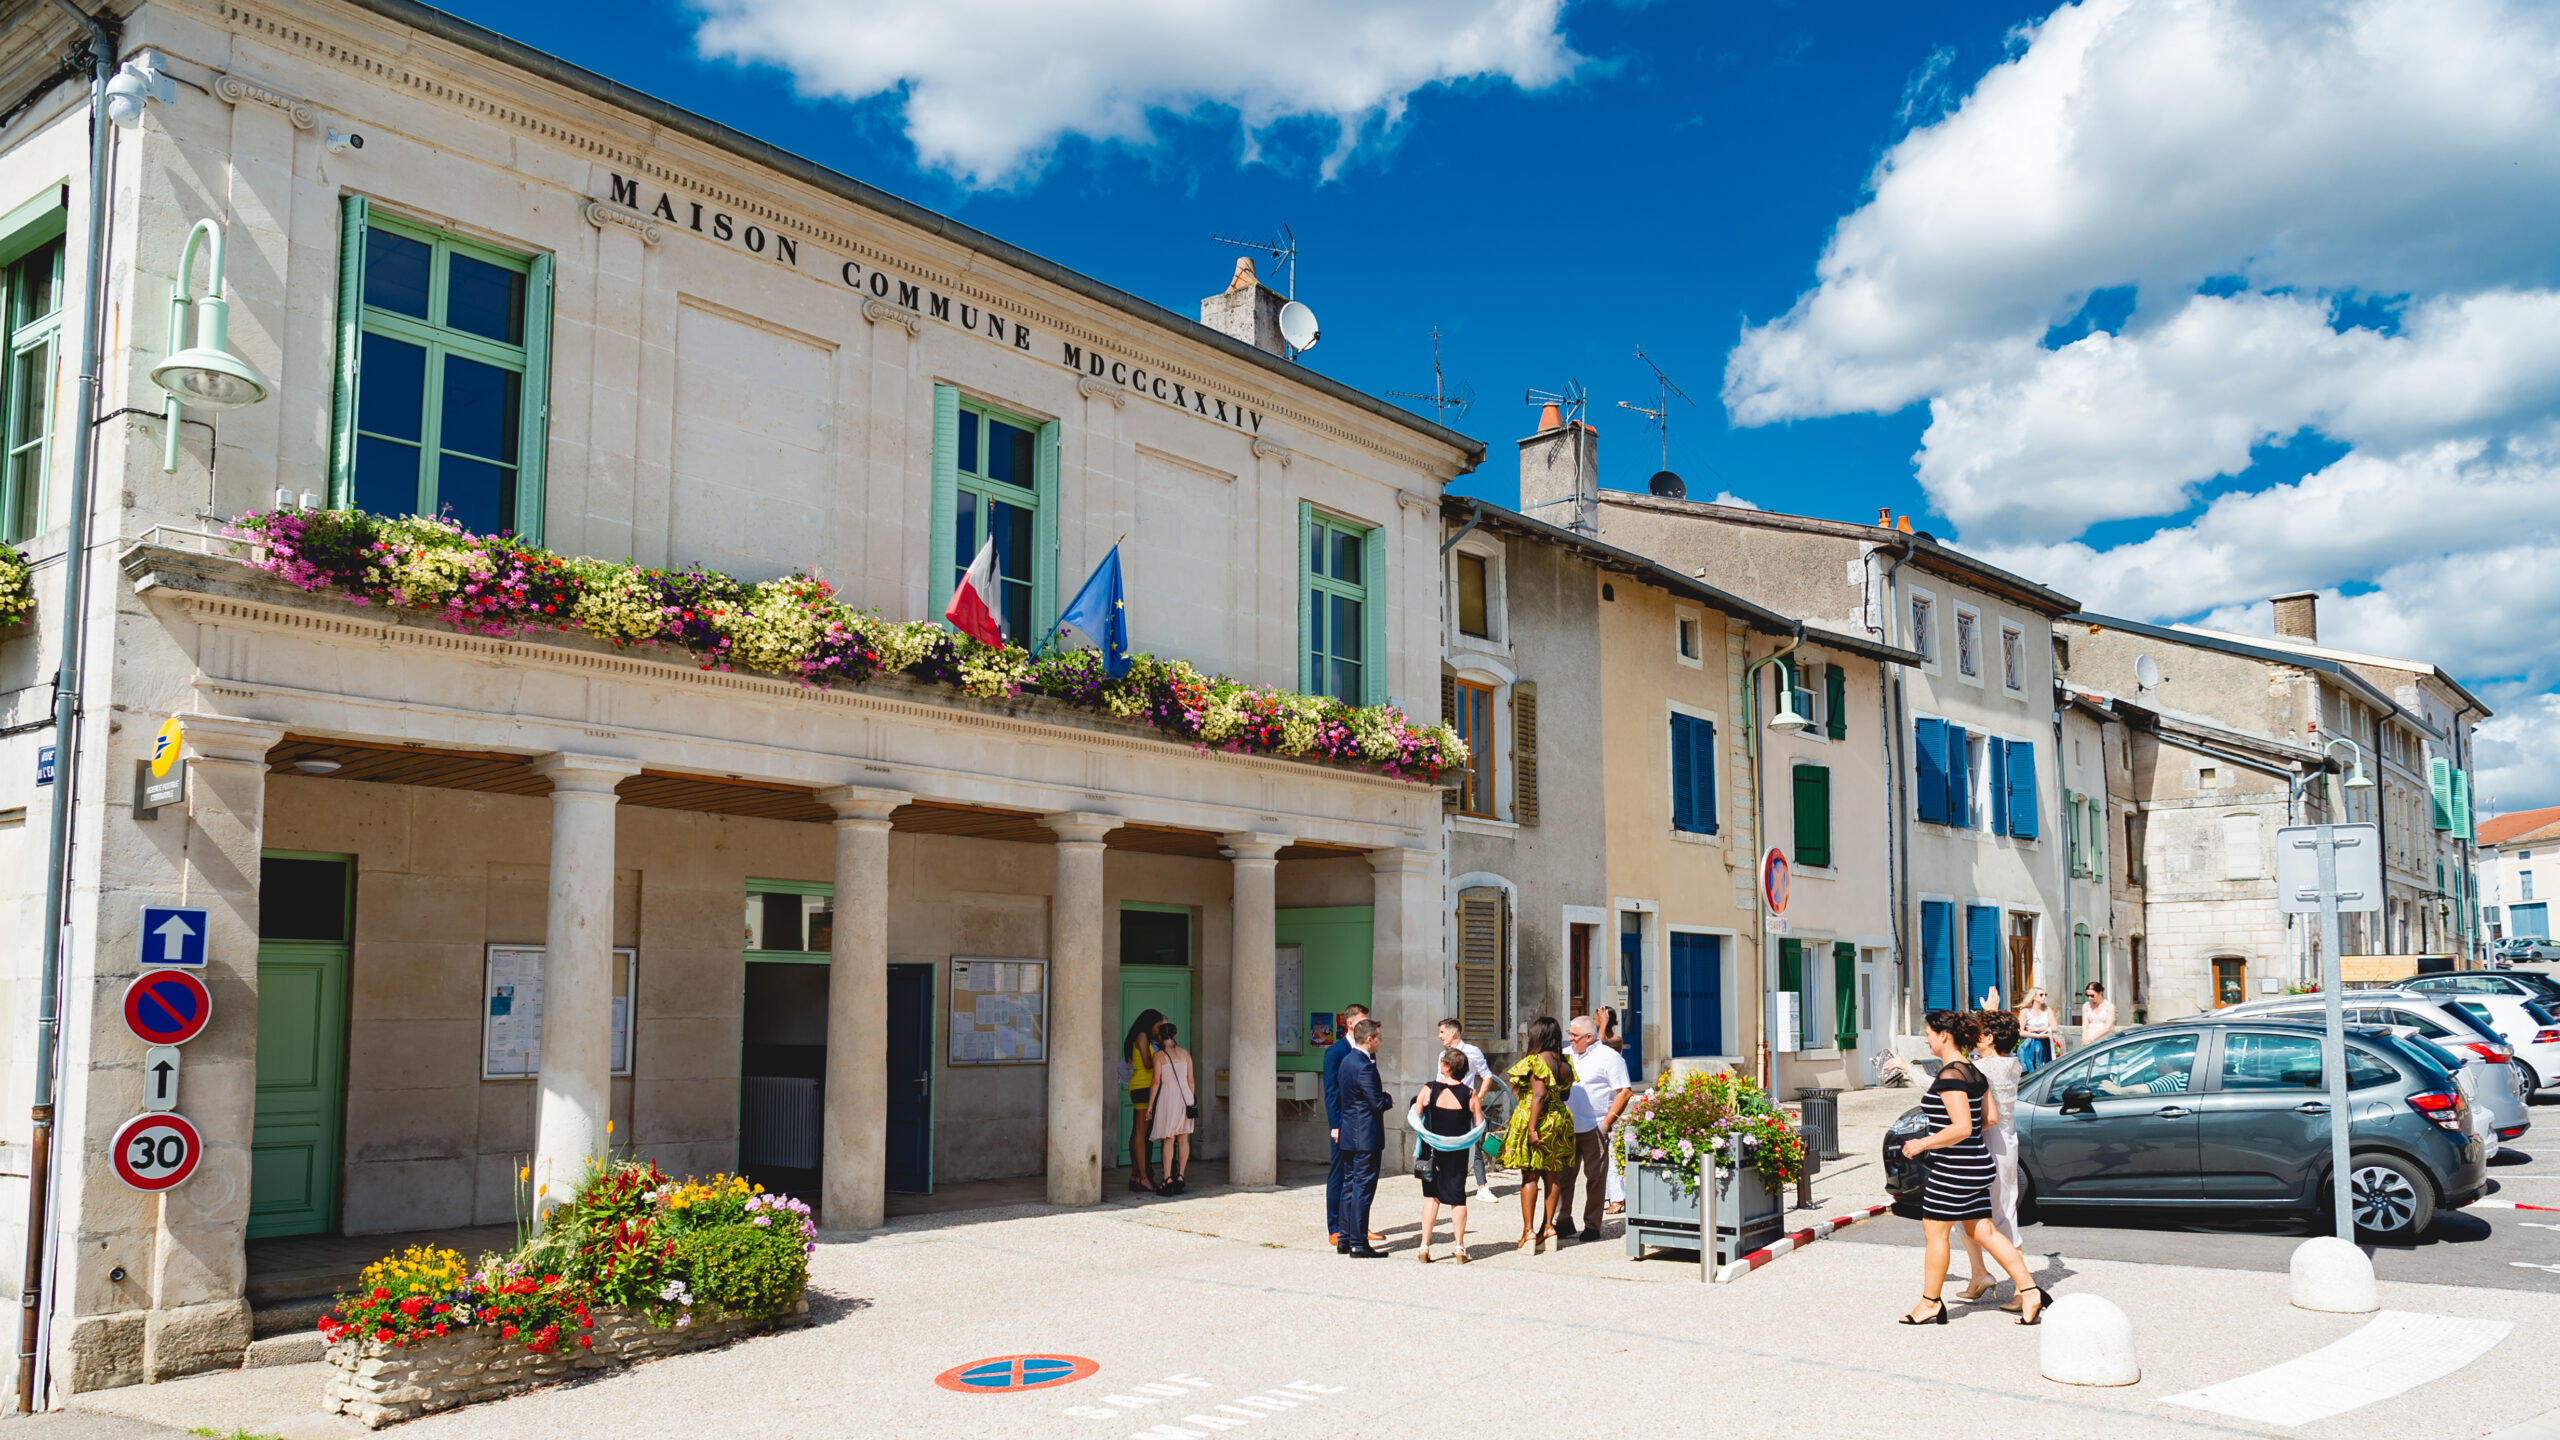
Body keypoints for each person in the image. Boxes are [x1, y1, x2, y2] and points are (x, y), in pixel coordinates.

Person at [1894, 1011, 2048, 1326]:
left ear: (1943, 1036)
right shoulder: (1973, 1072)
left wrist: (1923, 1143)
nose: (1925, 1039)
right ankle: (2030, 1290)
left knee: (1935, 1231)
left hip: (1955, 1167)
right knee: (1983, 1230)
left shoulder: (1952, 1075)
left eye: (1928, 1033)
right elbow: (1989, 1119)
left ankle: (1930, 1303)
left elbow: (1963, 1126)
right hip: (1978, 1162)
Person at [1958, 1011, 2026, 1308]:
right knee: (1965, 1212)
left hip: (1993, 1143)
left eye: (1978, 1031)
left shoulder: (1989, 1066)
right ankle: (1978, 1274)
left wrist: (1906, 1067)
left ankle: (2024, 1288)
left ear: (1988, 1038)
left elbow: (1949, 1084)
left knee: (2001, 1215)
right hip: (2002, 1142)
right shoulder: (2008, 1062)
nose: (1972, 1036)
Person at [1498, 1016, 1577, 1253]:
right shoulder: (1565, 1064)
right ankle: (1550, 1228)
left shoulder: (1536, 1061)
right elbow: (1564, 1096)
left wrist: (1531, 1129)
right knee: (1552, 1174)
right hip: (1559, 1120)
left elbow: (1538, 1096)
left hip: (1537, 1120)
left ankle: (1529, 1232)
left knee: (1530, 1175)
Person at [1558, 1016, 1632, 1241]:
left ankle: (1592, 1224)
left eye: (1574, 1035)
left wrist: (1607, 1122)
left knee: (1595, 1177)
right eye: (1569, 1034)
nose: (1570, 1039)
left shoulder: (1609, 1058)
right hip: (1568, 1126)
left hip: (1594, 1125)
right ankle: (1563, 1220)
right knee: (1563, 1176)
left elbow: (1625, 1091)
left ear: (1589, 1037)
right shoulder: (1567, 1055)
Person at [1413, 1046, 1483, 1263]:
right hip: (1457, 1152)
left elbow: (1415, 1117)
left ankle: (1424, 1246)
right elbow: (1478, 1125)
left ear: (1445, 1067)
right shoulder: (1470, 1094)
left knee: (1431, 1198)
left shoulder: (1428, 1089)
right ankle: (1460, 1247)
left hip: (1430, 1151)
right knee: (1458, 1198)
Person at [1322, 1003, 1379, 1248]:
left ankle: (1358, 1227)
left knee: (1360, 1180)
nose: (1367, 1024)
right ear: (1350, 1024)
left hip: (1362, 1124)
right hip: (1344, 1124)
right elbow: (1331, 1092)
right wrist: (1335, 1125)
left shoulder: (1368, 1049)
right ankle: (1335, 1227)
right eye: (1362, 1020)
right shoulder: (1336, 1052)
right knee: (1341, 1175)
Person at [1334, 1019, 1391, 1258]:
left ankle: (1345, 1238)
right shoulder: (1364, 1066)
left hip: (1349, 1133)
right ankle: (1358, 1242)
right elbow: (1376, 1103)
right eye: (1378, 1037)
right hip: (1365, 1136)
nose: (1380, 1041)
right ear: (1369, 1039)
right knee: (1362, 1189)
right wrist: (1387, 1098)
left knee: (1349, 1185)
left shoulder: (1347, 1061)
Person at [1436, 1018, 1501, 1200]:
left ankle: (1482, 1187)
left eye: (1442, 1032)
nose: (1440, 1036)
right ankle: (1448, 1185)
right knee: (1445, 1145)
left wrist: (1478, 1098)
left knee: (1474, 1144)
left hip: (1466, 1103)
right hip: (1446, 1106)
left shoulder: (1473, 1052)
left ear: (1453, 1033)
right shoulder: (1442, 1056)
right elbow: (1438, 1080)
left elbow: (1487, 1076)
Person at [1147, 1020, 1196, 1195]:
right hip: (1185, 1097)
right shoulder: (1185, 1053)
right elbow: (1191, 1080)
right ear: (1175, 1035)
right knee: (1183, 1138)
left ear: (1160, 1037)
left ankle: (1167, 1179)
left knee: (1168, 1139)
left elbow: (1156, 1081)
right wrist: (1191, 1100)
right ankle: (1180, 1176)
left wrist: (1150, 1105)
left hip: (1168, 1096)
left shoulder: (1159, 1056)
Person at [1121, 1008, 1165, 1193]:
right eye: (1158, 1026)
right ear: (1150, 1024)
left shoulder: (1140, 1036)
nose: (1159, 1030)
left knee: (1136, 1133)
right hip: (1143, 1086)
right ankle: (1144, 1178)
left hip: (1140, 1086)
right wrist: (1163, 1049)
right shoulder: (1142, 1036)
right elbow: (1148, 1064)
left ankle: (1135, 1175)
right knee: (1141, 1133)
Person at [1595, 1006, 1629, 1214]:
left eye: (1596, 1018)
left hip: (1610, 1105)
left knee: (1609, 1151)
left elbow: (1601, 1046)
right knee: (1602, 1153)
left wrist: (1604, 1023)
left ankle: (1618, 1197)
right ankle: (1611, 1195)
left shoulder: (1615, 1041)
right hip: (1599, 1103)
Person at [2016, 989, 2057, 1072]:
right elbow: (2020, 1031)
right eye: (2041, 995)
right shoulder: (2025, 1012)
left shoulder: (2048, 1010)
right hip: (2030, 1045)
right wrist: (2037, 1035)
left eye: (2045, 994)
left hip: (2046, 1042)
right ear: (2034, 997)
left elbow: (2054, 1028)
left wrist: (2036, 1029)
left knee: (2047, 1068)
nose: (2044, 997)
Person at [2079, 982, 2116, 1051]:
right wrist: (2085, 1039)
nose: (2090, 998)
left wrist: (2092, 1039)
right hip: (2088, 1038)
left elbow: (2108, 1027)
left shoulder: (2109, 1006)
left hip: (2103, 1038)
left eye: (2092, 995)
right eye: (2088, 995)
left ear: (2100, 992)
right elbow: (2085, 1025)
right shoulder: (2086, 1006)